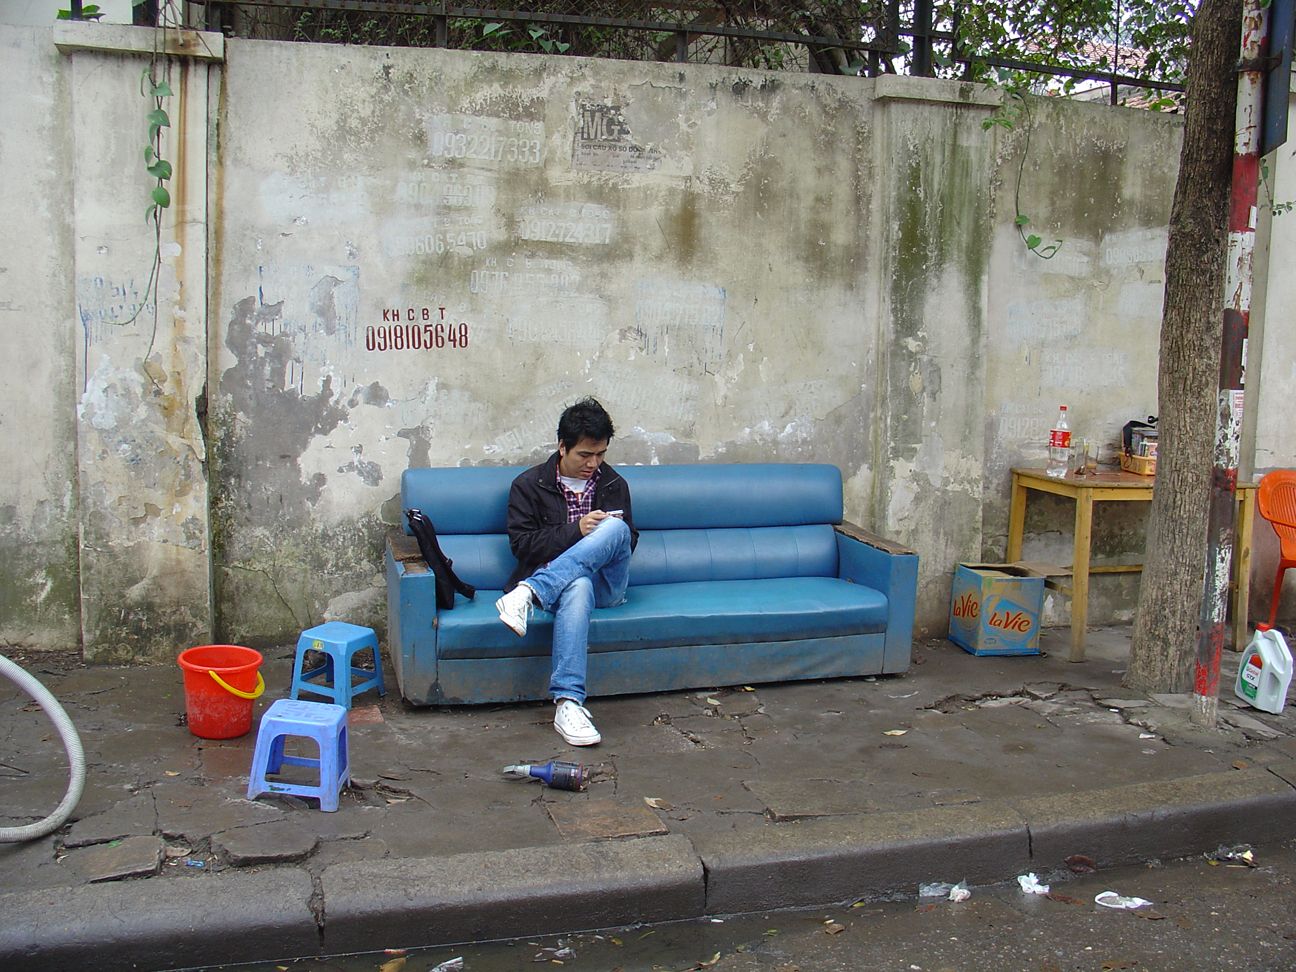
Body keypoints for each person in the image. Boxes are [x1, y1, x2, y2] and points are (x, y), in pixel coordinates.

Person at [495, 397, 637, 746]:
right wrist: (577, 531)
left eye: (600, 454)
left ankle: (527, 593)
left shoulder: (613, 483)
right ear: (562, 446)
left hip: (608, 586)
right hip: (566, 590)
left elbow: (627, 541)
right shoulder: (529, 485)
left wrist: (601, 536)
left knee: (617, 530)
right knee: (577, 584)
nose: (594, 463)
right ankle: (568, 703)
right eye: (584, 454)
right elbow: (522, 546)